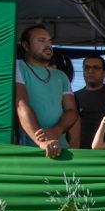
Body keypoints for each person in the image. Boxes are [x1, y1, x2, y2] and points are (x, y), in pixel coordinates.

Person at [15, 25, 78, 159]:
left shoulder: (61, 76)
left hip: (61, 148)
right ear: (26, 45)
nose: (48, 45)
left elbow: (72, 111)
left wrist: (57, 130)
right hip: (30, 150)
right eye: (41, 40)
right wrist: (42, 141)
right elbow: (21, 106)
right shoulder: (18, 66)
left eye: (50, 42)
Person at [72, 55, 105, 149]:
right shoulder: (73, 97)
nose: (91, 71)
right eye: (87, 67)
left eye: (96, 67)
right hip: (82, 152)